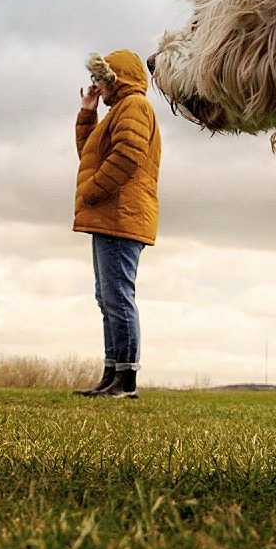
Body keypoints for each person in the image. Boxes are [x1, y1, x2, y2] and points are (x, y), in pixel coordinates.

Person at [72, 50, 161, 400]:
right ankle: (112, 376)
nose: (96, 85)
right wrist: (87, 113)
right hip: (111, 215)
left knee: (118, 297)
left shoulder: (134, 107)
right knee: (107, 297)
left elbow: (127, 156)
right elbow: (91, 156)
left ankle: (125, 380)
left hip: (121, 216)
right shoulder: (120, 110)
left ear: (115, 79)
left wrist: (92, 192)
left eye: (100, 79)